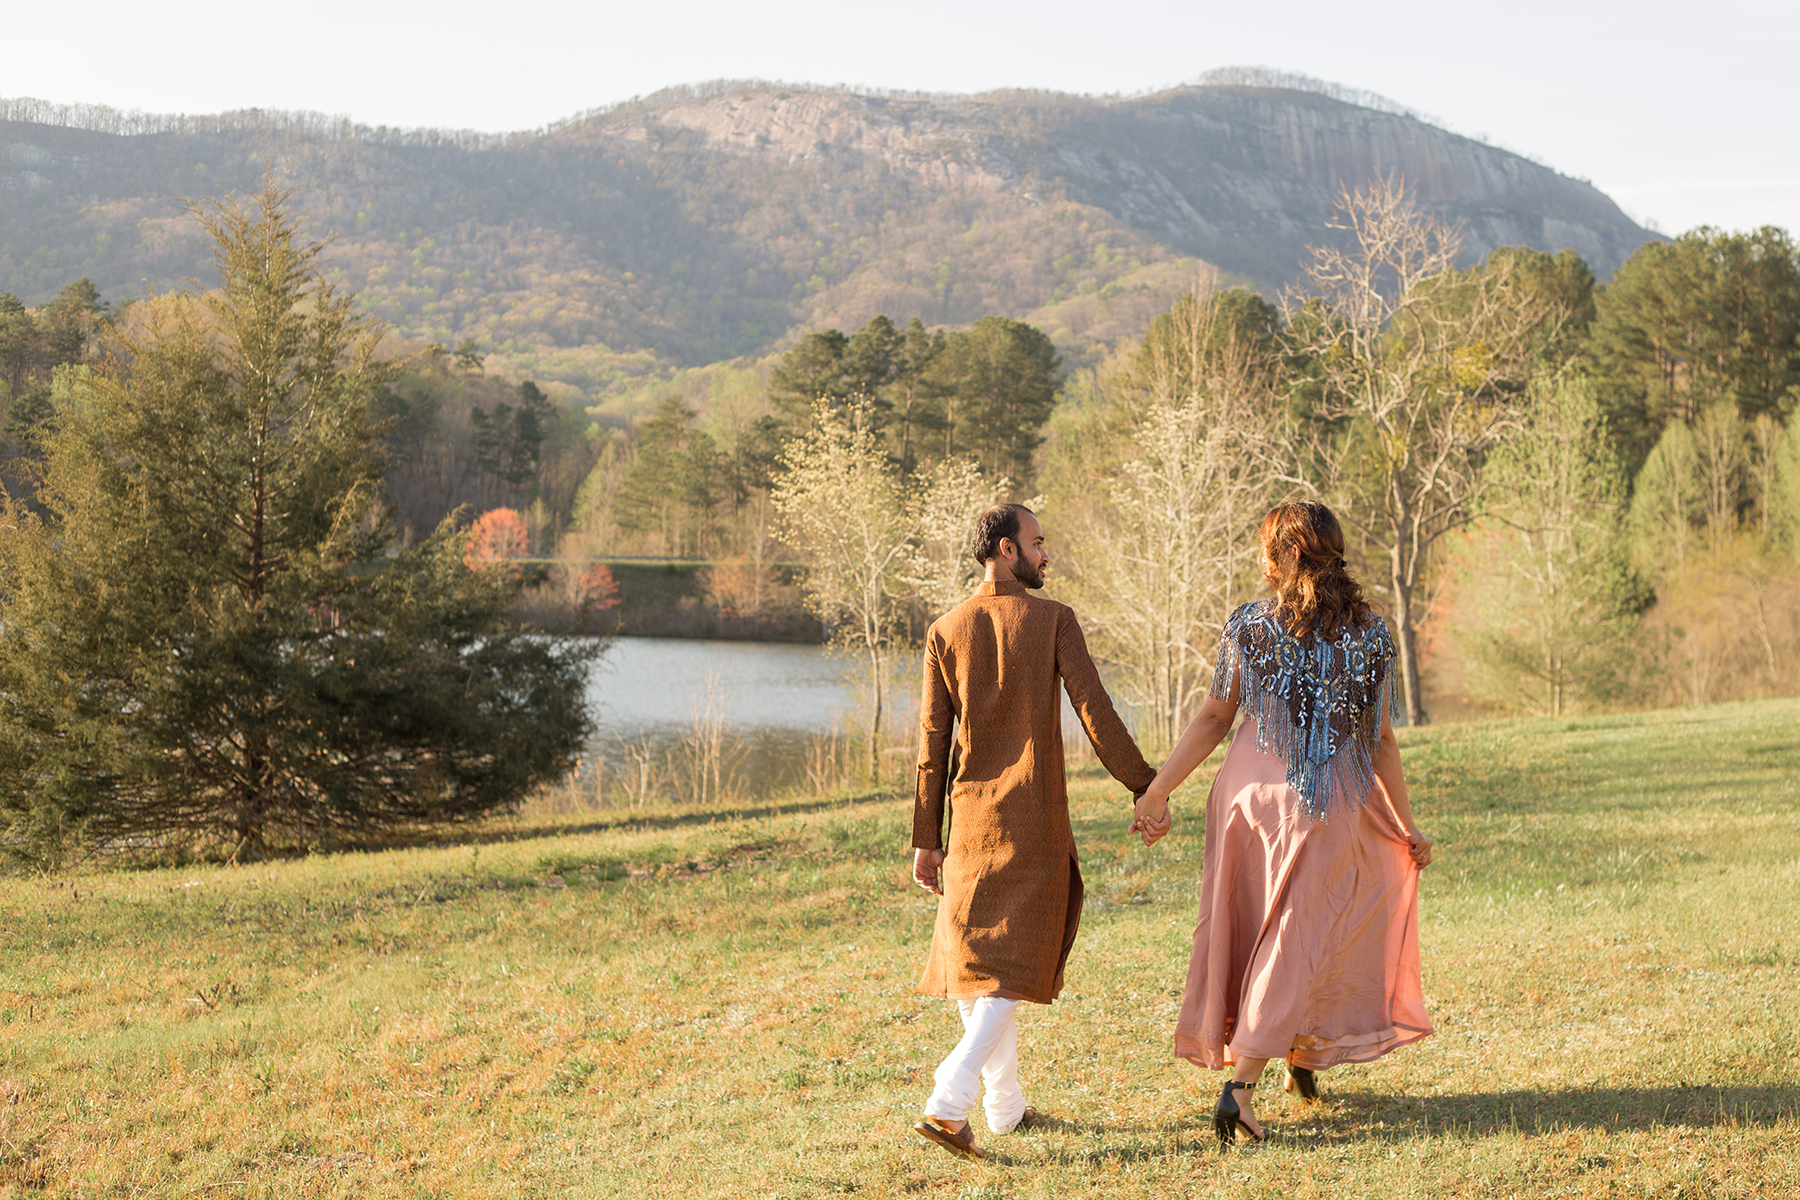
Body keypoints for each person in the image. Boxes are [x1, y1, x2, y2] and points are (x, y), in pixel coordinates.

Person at [1134, 500, 1434, 1148]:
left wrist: (1158, 791)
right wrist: (1406, 825)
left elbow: (1217, 716)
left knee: (1268, 931)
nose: (1263, 562)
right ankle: (1240, 1089)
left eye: (1269, 548)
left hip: (1246, 799)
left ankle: (1303, 1055)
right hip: (1325, 802)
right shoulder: (1373, 635)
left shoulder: (1248, 624)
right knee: (1302, 934)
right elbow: (1380, 741)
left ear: (1291, 555)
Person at [909, 503, 1169, 1161]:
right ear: (1005, 549)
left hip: (967, 820)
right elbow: (1096, 712)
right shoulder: (1053, 621)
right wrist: (1145, 784)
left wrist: (926, 836)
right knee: (1006, 969)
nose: (1047, 555)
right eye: (1038, 543)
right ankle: (949, 1098)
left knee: (980, 966)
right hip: (1031, 821)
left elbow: (931, 745)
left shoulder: (945, 629)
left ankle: (1004, 1107)